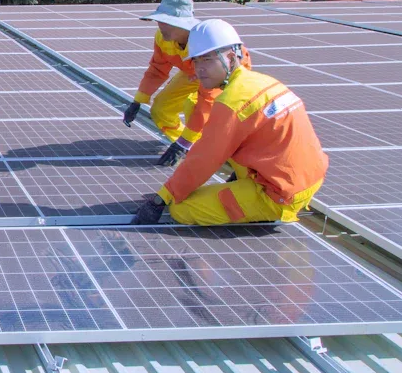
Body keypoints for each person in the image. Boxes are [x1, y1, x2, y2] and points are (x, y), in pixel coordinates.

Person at [131, 19, 328, 226]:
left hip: (279, 193)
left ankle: (262, 208)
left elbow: (204, 159)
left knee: (181, 209)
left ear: (231, 58)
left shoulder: (233, 102)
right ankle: (248, 185)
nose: (199, 69)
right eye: (196, 62)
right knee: (196, 109)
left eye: (208, 60)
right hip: (305, 176)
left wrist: (161, 199)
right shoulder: (261, 81)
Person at [122, 0, 251, 166]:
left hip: (223, 74)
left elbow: (206, 101)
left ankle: (227, 156)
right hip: (191, 72)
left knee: (198, 109)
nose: (160, 26)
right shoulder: (162, 39)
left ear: (183, 25)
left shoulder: (206, 44)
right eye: (159, 21)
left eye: (166, 22)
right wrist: (138, 101)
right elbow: (157, 69)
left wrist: (185, 142)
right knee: (161, 109)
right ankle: (195, 149)